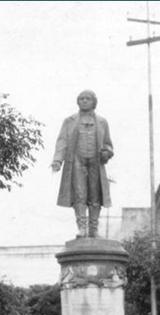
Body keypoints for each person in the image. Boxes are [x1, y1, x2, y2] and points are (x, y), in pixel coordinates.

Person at [52, 89, 114, 238]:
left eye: (88, 98)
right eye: (81, 98)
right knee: (79, 194)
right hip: (77, 161)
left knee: (95, 195)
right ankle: (82, 228)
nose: (84, 101)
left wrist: (107, 152)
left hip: (95, 162)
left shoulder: (102, 122)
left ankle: (94, 229)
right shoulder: (69, 121)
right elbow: (62, 141)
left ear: (94, 102)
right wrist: (57, 160)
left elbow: (108, 144)